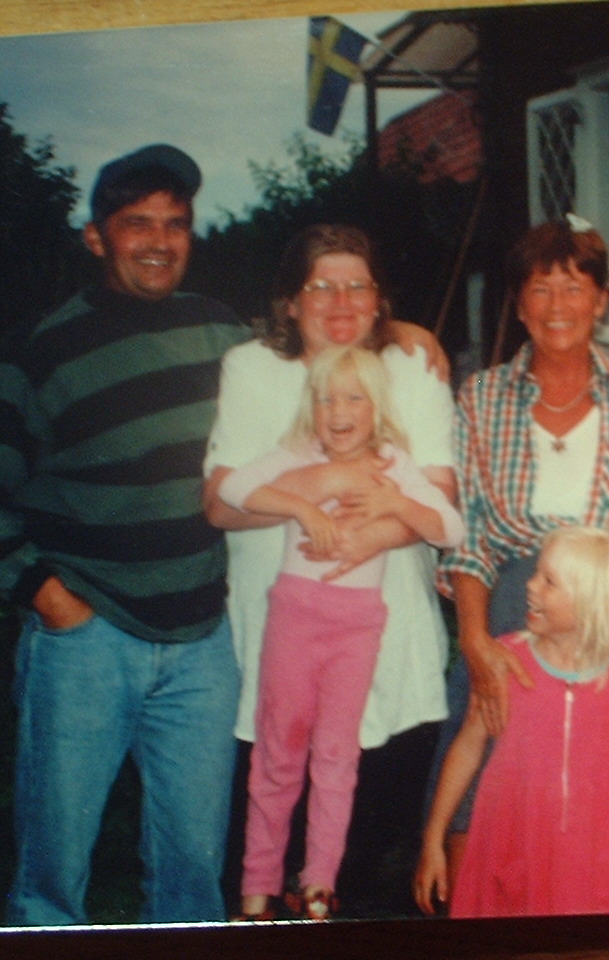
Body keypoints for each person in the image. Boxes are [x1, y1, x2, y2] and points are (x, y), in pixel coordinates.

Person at [0, 144, 247, 924]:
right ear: (96, 237)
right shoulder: (38, 349)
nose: (159, 241)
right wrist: (54, 602)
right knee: (52, 880)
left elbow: (320, 369)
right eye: (137, 223)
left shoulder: (222, 333)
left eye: (175, 224)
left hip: (204, 646)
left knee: (193, 880)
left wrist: (402, 332)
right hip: (88, 641)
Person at [203, 223, 455, 918]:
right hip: (277, 645)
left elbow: (443, 500)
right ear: (289, 301)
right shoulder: (251, 368)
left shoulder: (410, 365)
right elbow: (219, 503)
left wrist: (360, 538)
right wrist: (327, 486)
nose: (341, 303)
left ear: (379, 300)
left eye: (357, 287)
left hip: (389, 650)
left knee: (369, 884)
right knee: (267, 831)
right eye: (320, 287)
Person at [436, 216, 609, 878]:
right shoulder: (483, 398)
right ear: (520, 305)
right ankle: (470, 891)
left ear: (600, 301)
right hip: (517, 595)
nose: (558, 306)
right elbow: (470, 539)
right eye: (540, 289)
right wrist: (474, 640)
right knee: (483, 718)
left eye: (575, 287)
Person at [416, 526, 609, 917]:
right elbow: (467, 749)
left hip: (599, 854)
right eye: (537, 574)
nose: (530, 586)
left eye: (548, 581)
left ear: (592, 604)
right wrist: (433, 837)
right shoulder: (506, 664)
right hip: (514, 844)